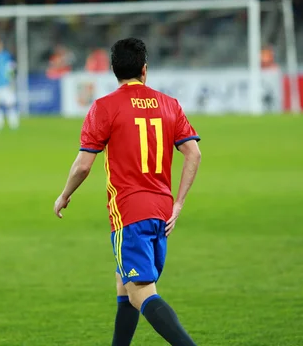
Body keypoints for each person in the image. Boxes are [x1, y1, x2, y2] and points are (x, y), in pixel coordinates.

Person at [54, 38, 201, 346]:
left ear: (113, 71)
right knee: (125, 284)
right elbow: (194, 154)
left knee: (141, 292)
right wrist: (179, 203)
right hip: (161, 210)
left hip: (130, 212)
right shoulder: (169, 104)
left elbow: (83, 166)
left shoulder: (104, 107)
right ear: (144, 70)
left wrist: (65, 194)